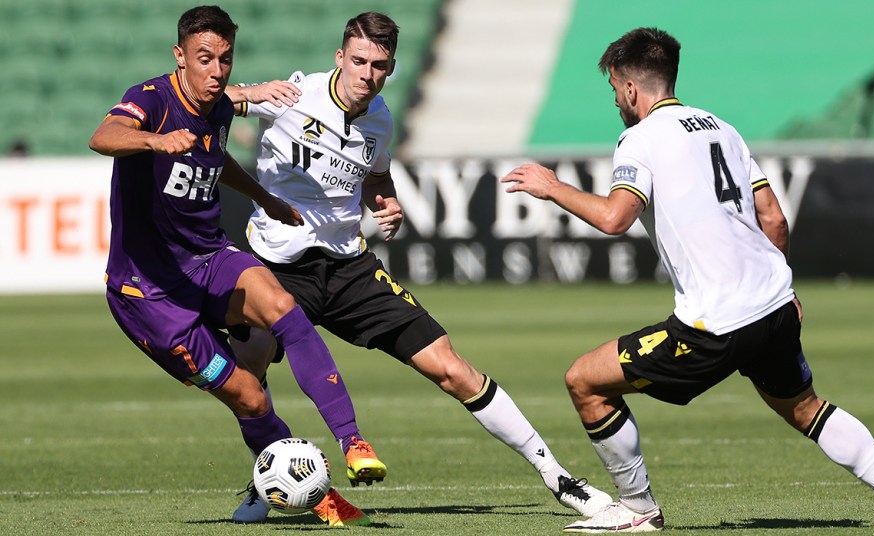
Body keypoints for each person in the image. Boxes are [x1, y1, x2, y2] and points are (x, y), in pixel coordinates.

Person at [500, 27, 874, 533]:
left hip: (716, 323)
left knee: (585, 381)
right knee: (805, 407)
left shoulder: (639, 139)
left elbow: (614, 218)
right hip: (773, 307)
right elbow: (774, 218)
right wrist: (783, 288)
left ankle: (638, 509)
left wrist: (553, 187)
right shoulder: (722, 129)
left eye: (615, 89)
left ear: (630, 88)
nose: (616, 101)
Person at [223, 10, 613, 523]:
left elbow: (375, 177)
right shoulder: (292, 96)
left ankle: (558, 477)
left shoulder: (380, 120)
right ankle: (266, 478)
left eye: (378, 66)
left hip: (348, 268)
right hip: (276, 265)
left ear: (390, 68)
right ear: (339, 57)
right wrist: (249, 91)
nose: (367, 74)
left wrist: (385, 201)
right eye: (358, 61)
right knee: (247, 374)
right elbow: (204, 98)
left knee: (451, 367)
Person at [88, 5, 381, 527]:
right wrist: (154, 140)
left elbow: (215, 156)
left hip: (207, 258)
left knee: (283, 306)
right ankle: (318, 498)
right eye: (205, 58)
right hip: (149, 295)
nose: (217, 70)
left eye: (225, 59)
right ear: (180, 57)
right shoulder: (151, 99)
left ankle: (352, 439)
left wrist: (264, 199)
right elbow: (103, 136)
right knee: (248, 396)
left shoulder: (218, 106)